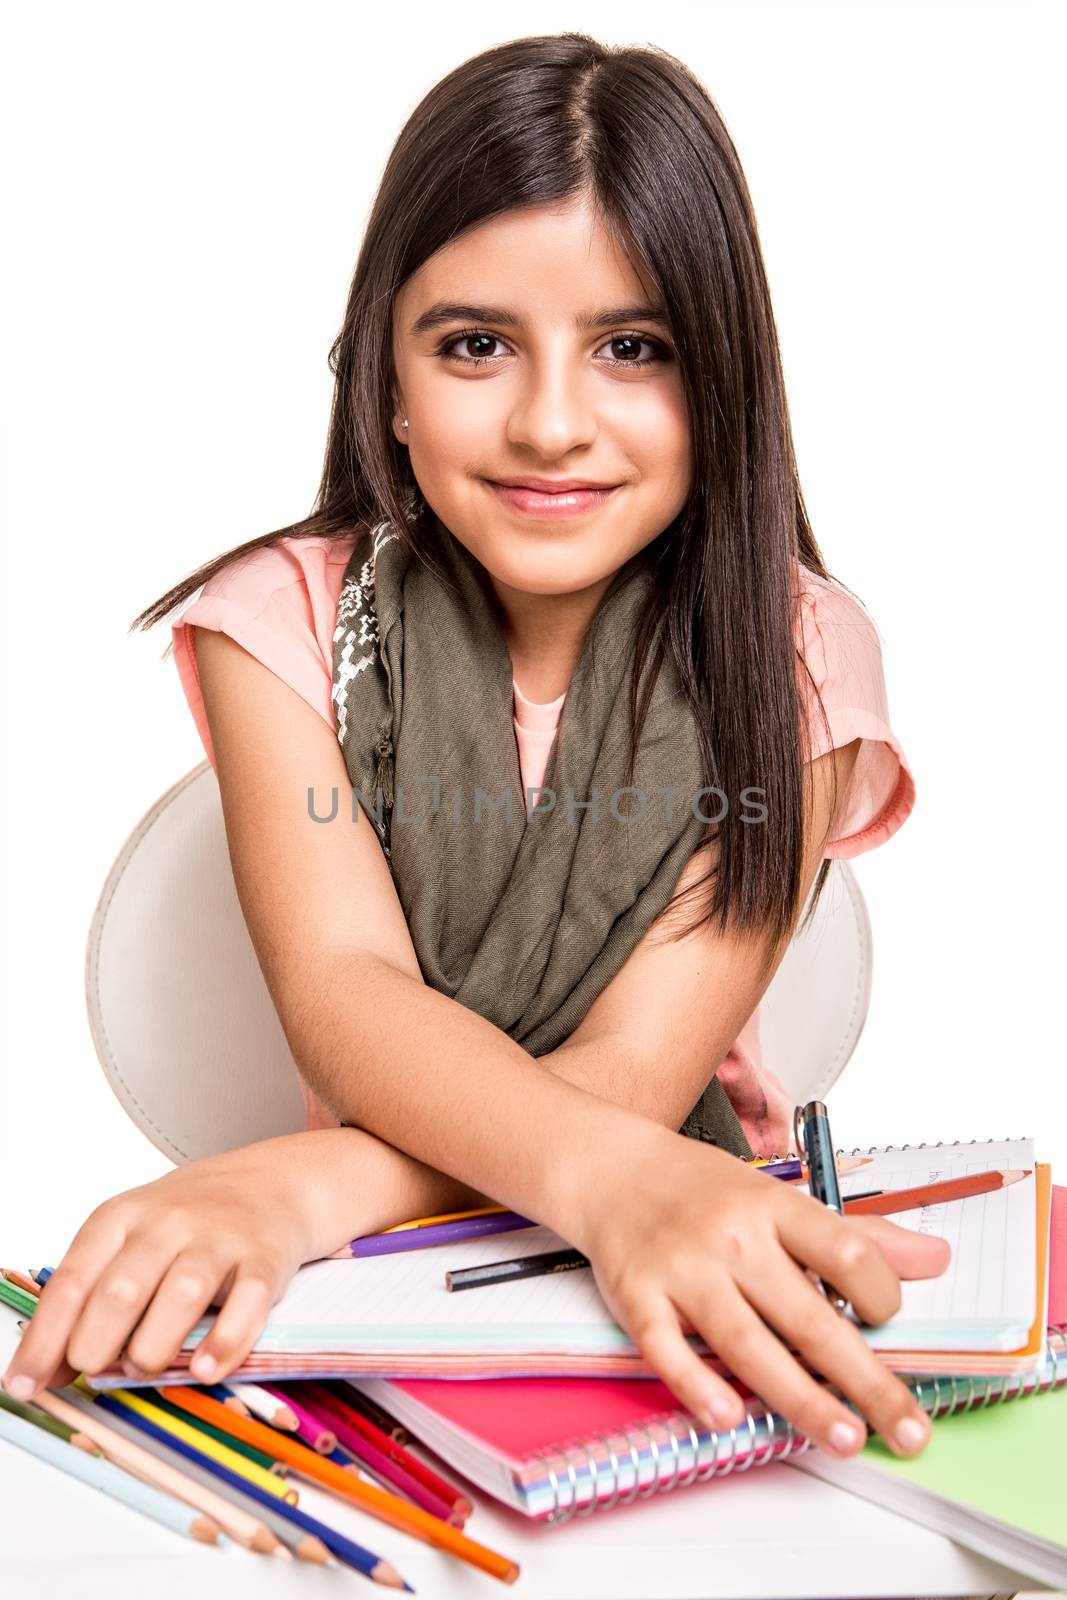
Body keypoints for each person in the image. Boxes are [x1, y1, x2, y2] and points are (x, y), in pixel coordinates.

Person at [2, 32, 947, 1463]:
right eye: (474, 345)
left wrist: (307, 1187)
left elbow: (635, 1075)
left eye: (634, 348)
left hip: (691, 1253)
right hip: (376, 1312)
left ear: (726, 386)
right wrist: (322, 1214)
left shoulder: (799, 654)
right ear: (383, 366)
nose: (550, 423)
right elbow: (348, 989)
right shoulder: (283, 625)